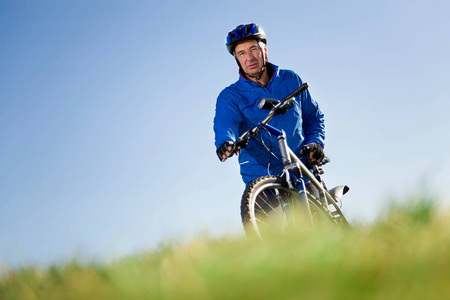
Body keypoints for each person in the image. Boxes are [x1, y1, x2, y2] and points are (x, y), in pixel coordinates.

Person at [213, 23, 325, 192]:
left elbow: (313, 118)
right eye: (242, 53)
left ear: (264, 50)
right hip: (261, 179)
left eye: (253, 49)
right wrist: (225, 142)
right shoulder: (230, 96)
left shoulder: (290, 79)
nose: (249, 58)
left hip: (300, 170)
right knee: (266, 216)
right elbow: (226, 123)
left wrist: (315, 142)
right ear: (237, 59)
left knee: (319, 214)